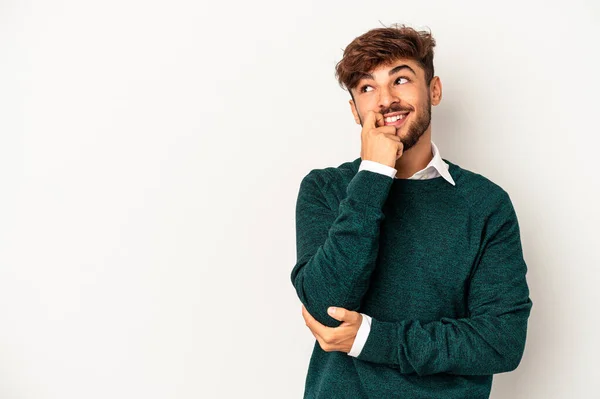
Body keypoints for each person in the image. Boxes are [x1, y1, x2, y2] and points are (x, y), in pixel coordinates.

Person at [290, 24, 533, 399]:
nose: (385, 100)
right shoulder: (326, 189)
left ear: (433, 90)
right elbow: (326, 307)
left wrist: (373, 339)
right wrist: (374, 174)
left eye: (400, 80)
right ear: (355, 111)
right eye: (367, 88)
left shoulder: (485, 204)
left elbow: (501, 341)